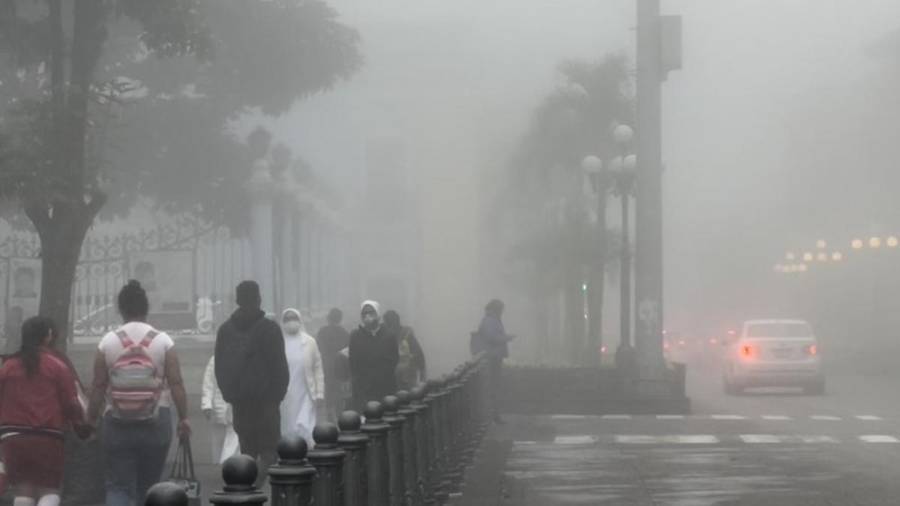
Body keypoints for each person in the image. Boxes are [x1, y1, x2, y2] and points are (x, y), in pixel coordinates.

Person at [86, 280, 191, 506]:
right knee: (151, 487)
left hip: (116, 423)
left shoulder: (108, 342)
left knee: (118, 486)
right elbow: (177, 384)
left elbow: (98, 385)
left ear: (120, 309)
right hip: (156, 422)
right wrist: (183, 419)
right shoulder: (163, 341)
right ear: (146, 309)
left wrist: (91, 420)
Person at [0, 316, 90, 506]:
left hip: (13, 439)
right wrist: (80, 426)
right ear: (48, 336)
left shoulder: (7, 367)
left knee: (23, 490)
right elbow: (71, 403)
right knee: (49, 489)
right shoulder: (57, 367)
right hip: (49, 438)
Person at [214, 281, 288, 487]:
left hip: (240, 403)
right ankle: (253, 488)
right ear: (259, 299)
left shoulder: (225, 331)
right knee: (269, 451)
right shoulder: (270, 329)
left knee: (248, 450)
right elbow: (280, 367)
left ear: (237, 300)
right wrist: (276, 397)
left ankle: (245, 487)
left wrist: (230, 394)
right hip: (266, 403)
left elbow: (219, 367)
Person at [279, 309, 324, 444]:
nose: (291, 322)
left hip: (306, 393)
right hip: (286, 394)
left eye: (294, 318)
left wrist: (319, 393)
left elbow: (318, 368)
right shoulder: (279, 342)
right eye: (287, 319)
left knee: (306, 426)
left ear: (299, 320)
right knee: (288, 427)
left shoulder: (309, 342)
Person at [348, 300, 398, 412]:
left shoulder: (389, 335)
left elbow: (394, 360)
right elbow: (353, 362)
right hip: (363, 389)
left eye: (371, 312)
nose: (367, 316)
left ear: (378, 314)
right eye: (364, 313)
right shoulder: (355, 336)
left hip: (385, 387)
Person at [476, 299, 515, 424]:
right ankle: (493, 415)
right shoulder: (490, 321)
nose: (502, 312)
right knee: (493, 387)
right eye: (501, 309)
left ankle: (493, 414)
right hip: (492, 358)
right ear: (496, 309)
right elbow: (491, 338)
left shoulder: (491, 320)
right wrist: (506, 338)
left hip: (493, 357)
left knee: (493, 387)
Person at [200, 356, 238, 464]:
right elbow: (208, 383)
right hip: (218, 409)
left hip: (236, 409)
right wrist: (206, 404)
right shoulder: (216, 359)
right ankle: (220, 466)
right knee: (218, 444)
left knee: (233, 442)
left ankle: (227, 465)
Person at [315, 308, 350, 420]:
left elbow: (318, 348)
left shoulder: (322, 331)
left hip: (326, 365)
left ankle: (329, 415)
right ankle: (340, 416)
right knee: (338, 392)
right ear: (340, 319)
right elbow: (347, 351)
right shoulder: (344, 333)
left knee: (329, 390)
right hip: (339, 367)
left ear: (329, 318)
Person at [382, 310, 426, 391]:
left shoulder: (407, 335)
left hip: (407, 378)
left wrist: (422, 379)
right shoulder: (386, 337)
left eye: (388, 324)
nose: (387, 327)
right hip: (392, 380)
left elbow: (419, 356)